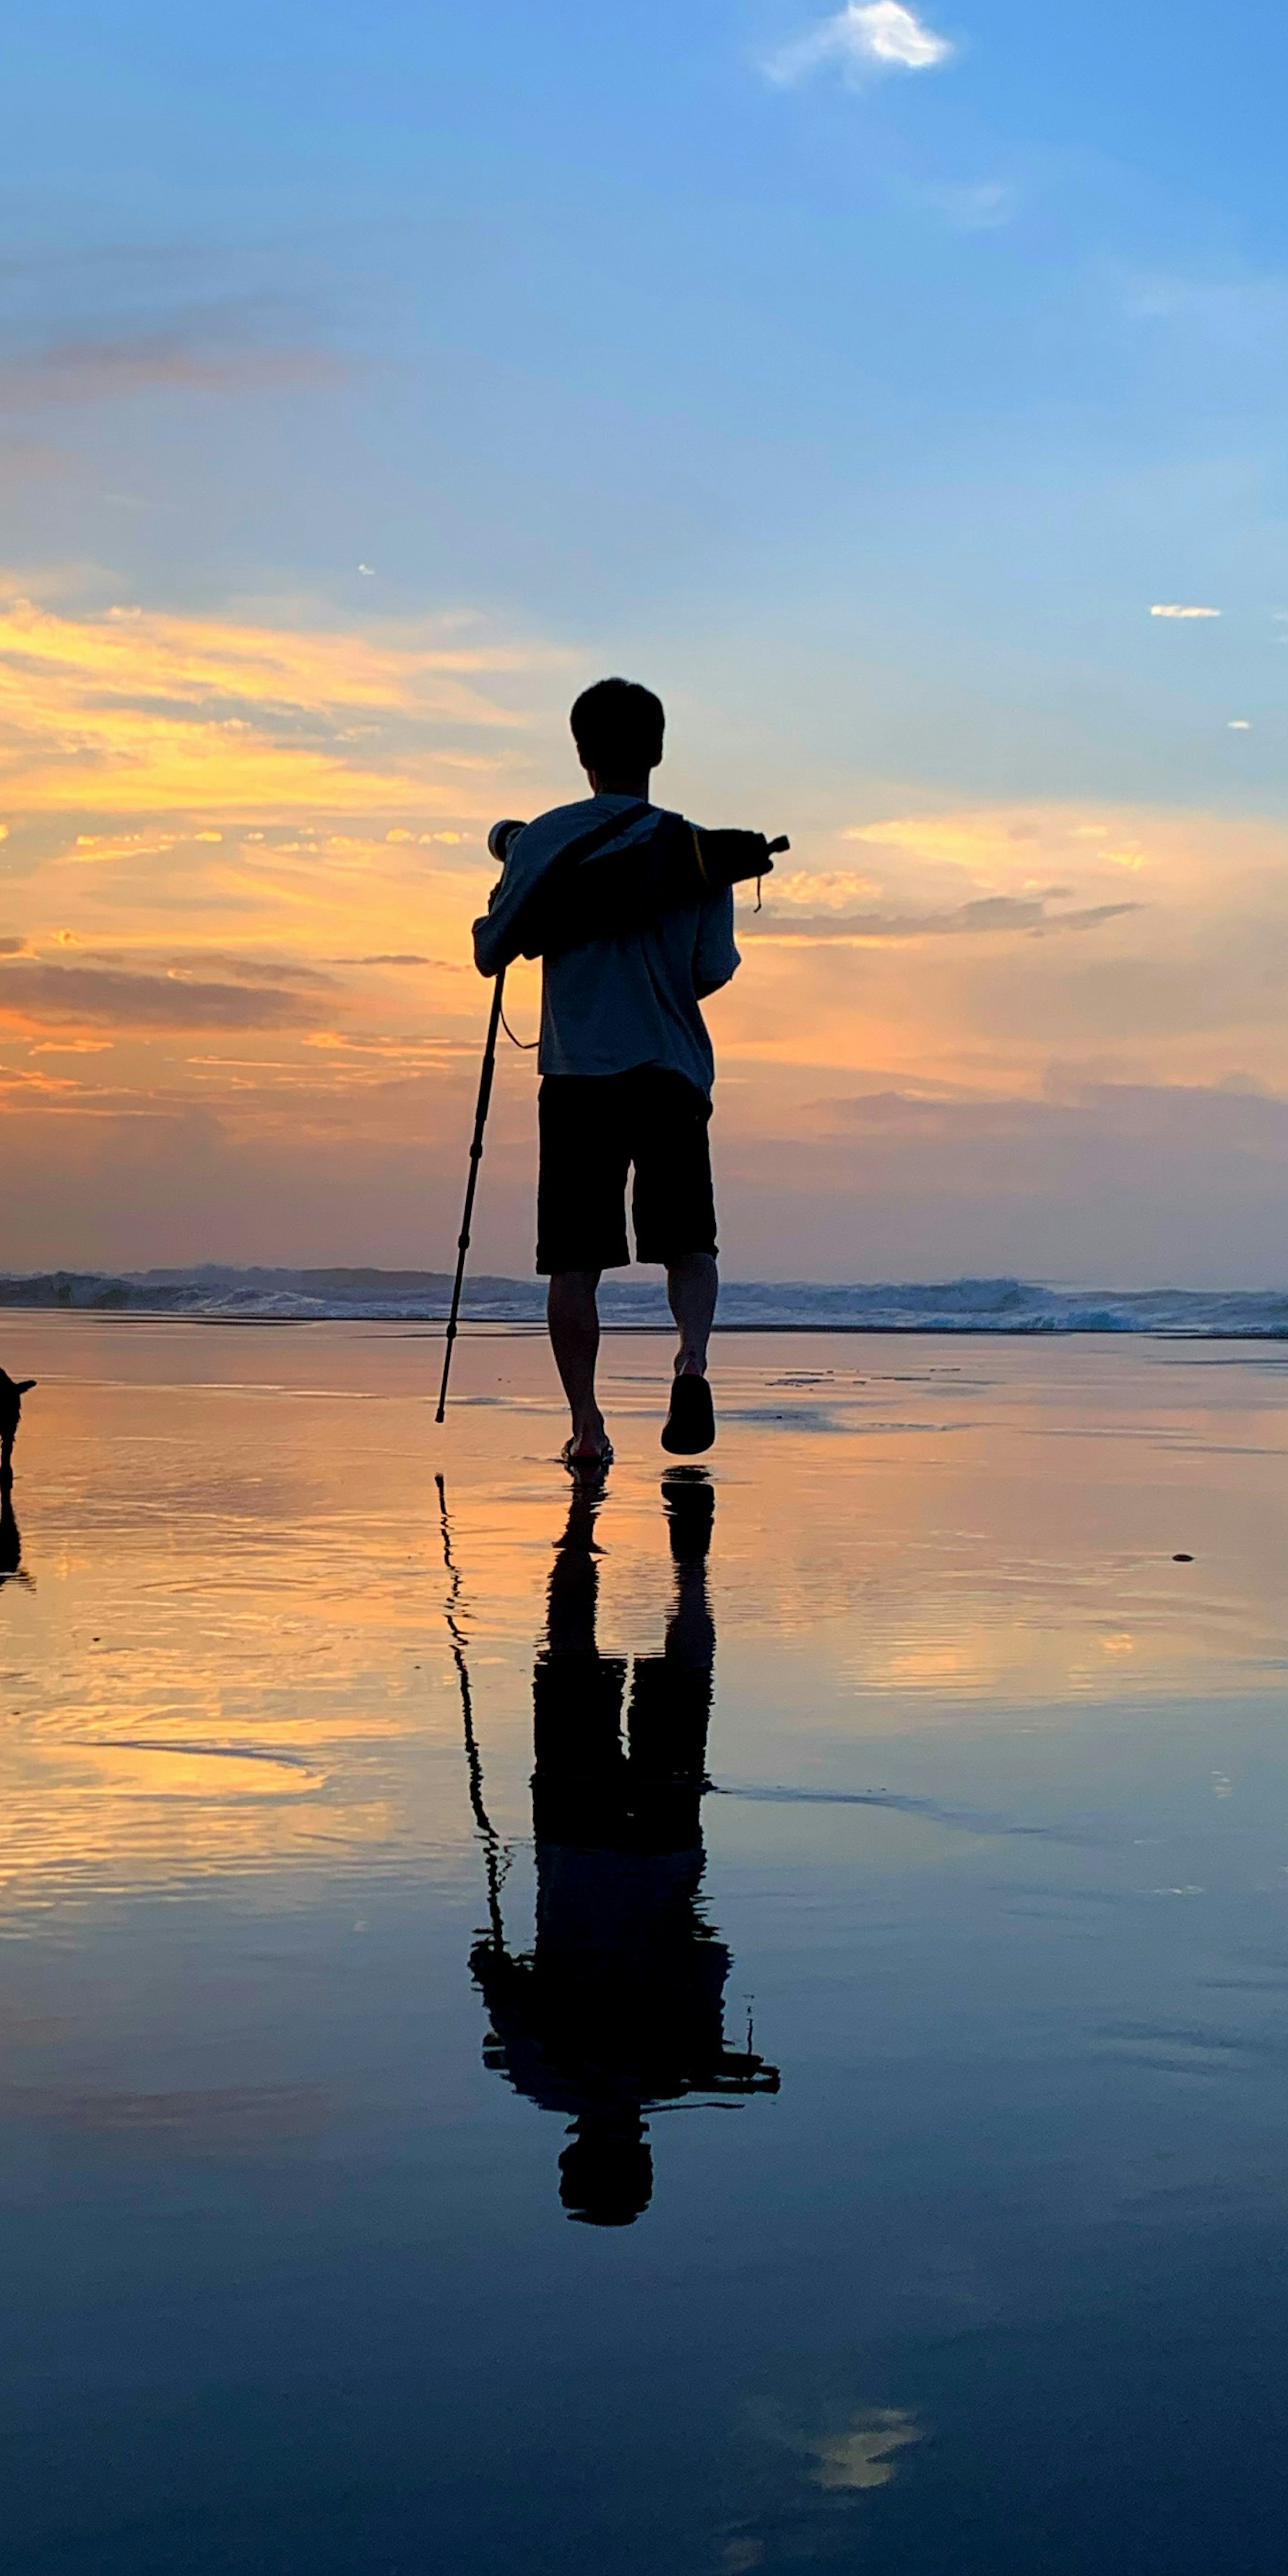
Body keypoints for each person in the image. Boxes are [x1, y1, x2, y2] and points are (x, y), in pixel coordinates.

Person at [472, 676, 782, 1470]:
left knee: (575, 1263)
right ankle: (691, 1362)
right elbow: (711, 971)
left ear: (582, 753)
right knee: (688, 1241)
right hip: (673, 1071)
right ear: (659, 751)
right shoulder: (694, 850)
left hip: (580, 1077)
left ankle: (588, 1425)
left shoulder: (543, 840)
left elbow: (490, 950)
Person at [467, 1469, 776, 2223]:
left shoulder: (674, 2064)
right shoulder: (542, 2074)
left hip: (665, 1847)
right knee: (570, 1660)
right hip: (574, 1836)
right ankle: (579, 1523)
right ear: (574, 2150)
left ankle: (691, 1569)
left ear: (640, 2151)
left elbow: (710, 1956)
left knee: (683, 1684)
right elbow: (489, 1966)